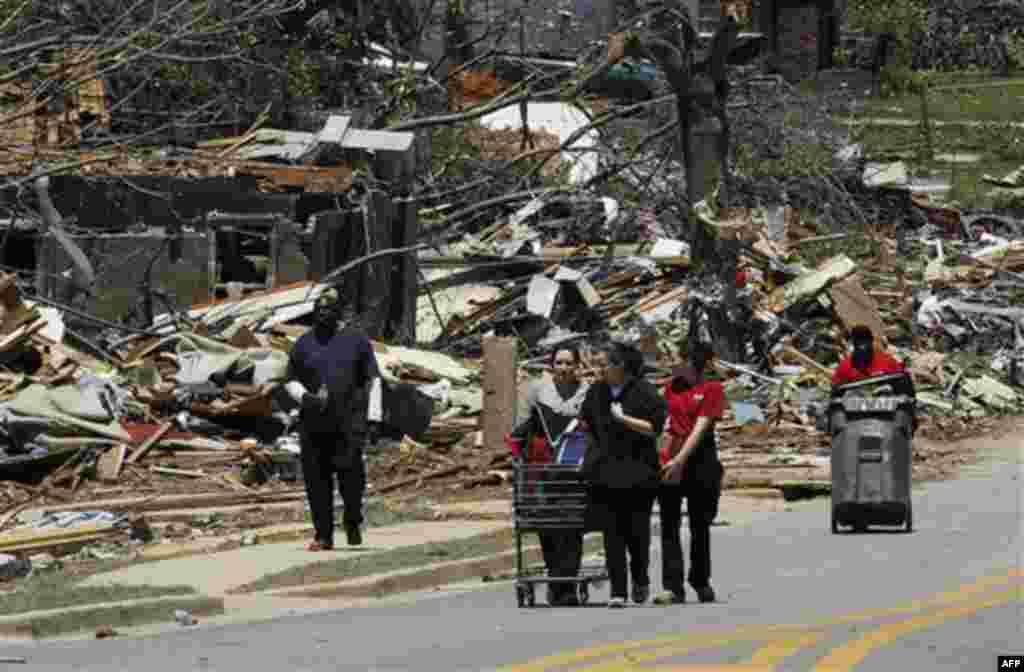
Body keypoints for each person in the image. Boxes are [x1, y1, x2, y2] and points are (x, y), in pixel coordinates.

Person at [283, 288, 383, 550]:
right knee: (317, 481)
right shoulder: (303, 344)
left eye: (329, 309)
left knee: (351, 479)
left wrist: (373, 418)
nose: (323, 314)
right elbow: (290, 380)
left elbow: (373, 380)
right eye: (319, 310)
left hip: (348, 424)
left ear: (338, 312)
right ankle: (323, 535)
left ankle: (352, 518)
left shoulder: (357, 341)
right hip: (314, 425)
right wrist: (306, 398)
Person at [579, 342, 667, 608]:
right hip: (604, 473)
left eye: (604, 364)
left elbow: (655, 428)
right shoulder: (596, 391)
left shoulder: (644, 391)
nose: (599, 369)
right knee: (612, 534)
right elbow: (587, 423)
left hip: (638, 473)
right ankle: (618, 591)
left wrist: (623, 419)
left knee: (637, 532)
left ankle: (640, 578)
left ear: (620, 366)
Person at [507, 346, 590, 606]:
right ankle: (557, 580)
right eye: (559, 363)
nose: (564, 368)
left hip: (574, 469)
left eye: (569, 363)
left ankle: (567, 585)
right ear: (551, 365)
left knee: (572, 525)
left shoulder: (587, 393)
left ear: (577, 365)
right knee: (548, 525)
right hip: (542, 468)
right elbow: (520, 430)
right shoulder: (536, 391)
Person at [656, 342, 725, 605]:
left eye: (674, 356)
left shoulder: (712, 388)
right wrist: (665, 459)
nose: (669, 361)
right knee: (669, 525)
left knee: (700, 525)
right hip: (671, 460)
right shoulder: (671, 388)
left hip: (700, 461)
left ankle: (700, 580)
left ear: (689, 360)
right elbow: (666, 424)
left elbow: (701, 427)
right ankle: (673, 586)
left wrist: (680, 460)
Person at [832, 325, 905, 387]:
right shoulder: (844, 367)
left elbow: (902, 380)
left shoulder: (888, 360)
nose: (863, 346)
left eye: (864, 341)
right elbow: (836, 389)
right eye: (859, 342)